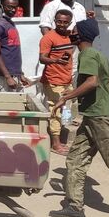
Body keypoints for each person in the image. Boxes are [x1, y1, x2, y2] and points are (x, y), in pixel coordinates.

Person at [50, 19, 109, 217]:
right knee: (75, 159)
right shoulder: (99, 55)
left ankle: (74, 205)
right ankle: (75, 207)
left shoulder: (87, 55)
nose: (71, 32)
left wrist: (66, 96)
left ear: (80, 35)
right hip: (93, 115)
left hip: (98, 116)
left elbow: (92, 82)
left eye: (74, 30)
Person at [39, 9, 75, 154]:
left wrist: (91, 19)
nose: (61, 24)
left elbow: (90, 33)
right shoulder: (48, 38)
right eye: (59, 21)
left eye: (65, 22)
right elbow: (42, 58)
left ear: (70, 23)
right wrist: (55, 60)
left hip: (67, 80)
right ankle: (56, 144)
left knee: (65, 111)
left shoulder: (70, 36)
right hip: (54, 81)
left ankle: (61, 139)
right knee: (56, 111)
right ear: (54, 20)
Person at [0, 0, 30, 92]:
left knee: (19, 105)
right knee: (8, 105)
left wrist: (20, 74)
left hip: (15, 74)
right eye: (9, 7)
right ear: (1, 6)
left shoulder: (10, 23)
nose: (12, 10)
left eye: (15, 7)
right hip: (6, 75)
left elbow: (13, 51)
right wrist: (8, 77)